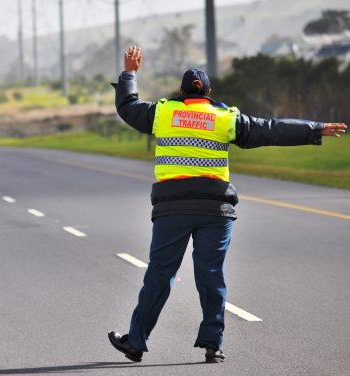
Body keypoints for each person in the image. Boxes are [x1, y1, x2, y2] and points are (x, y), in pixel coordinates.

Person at [107, 46, 347, 364]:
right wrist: (314, 129)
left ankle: (136, 342)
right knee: (210, 274)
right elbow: (270, 130)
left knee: (160, 275)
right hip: (216, 211)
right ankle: (212, 344)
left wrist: (130, 73)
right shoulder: (225, 117)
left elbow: (128, 106)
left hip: (173, 209)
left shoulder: (163, 113)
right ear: (208, 92)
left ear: (181, 92)